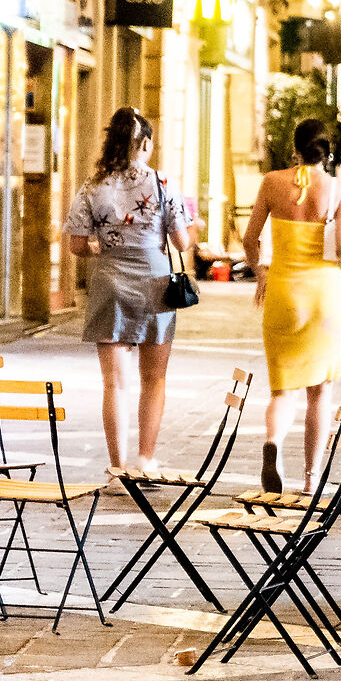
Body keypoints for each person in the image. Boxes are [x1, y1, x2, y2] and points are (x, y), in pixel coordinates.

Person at [64, 108, 195, 474]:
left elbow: (76, 244)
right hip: (155, 281)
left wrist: (101, 248)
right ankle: (146, 459)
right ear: (147, 143)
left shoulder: (93, 186)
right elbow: (182, 242)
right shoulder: (163, 183)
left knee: (114, 384)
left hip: (109, 282)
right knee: (154, 379)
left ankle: (117, 466)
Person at [244, 117, 341, 493]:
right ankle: (312, 481)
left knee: (282, 390)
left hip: (283, 291)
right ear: (327, 152)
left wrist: (260, 273)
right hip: (326, 296)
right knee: (320, 391)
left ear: (294, 148)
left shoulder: (270, 182)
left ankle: (272, 444)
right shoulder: (337, 189)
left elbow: (250, 239)